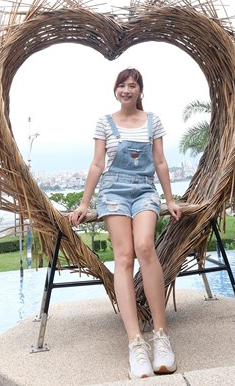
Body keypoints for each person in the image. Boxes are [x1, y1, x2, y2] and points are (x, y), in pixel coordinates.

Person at [69, 67, 181, 380]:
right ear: (116, 90)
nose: (127, 90)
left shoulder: (153, 121)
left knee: (145, 246)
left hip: (145, 190)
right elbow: (96, 164)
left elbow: (159, 162)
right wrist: (83, 203)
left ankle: (161, 336)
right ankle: (135, 343)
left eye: (132, 85)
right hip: (113, 191)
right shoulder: (104, 123)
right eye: (122, 85)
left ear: (140, 91)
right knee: (124, 256)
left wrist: (169, 200)